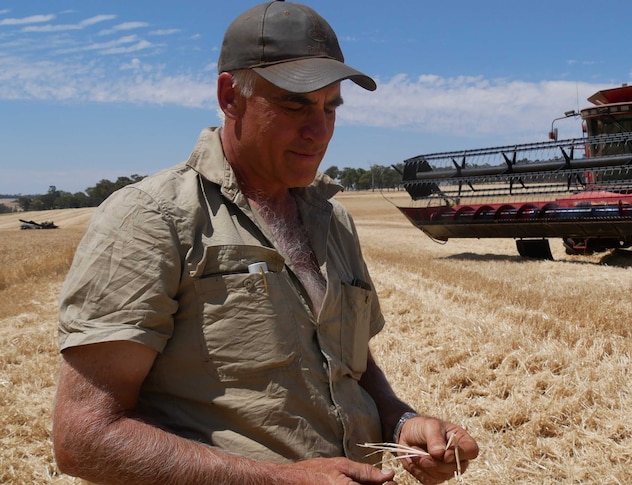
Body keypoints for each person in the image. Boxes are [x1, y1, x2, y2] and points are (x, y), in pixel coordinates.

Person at [51, 2, 479, 484]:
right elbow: (84, 438)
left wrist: (400, 421)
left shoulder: (333, 220)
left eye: (330, 107)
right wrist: (278, 480)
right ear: (230, 96)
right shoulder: (151, 218)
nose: (319, 131)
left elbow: (348, 362)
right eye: (295, 103)